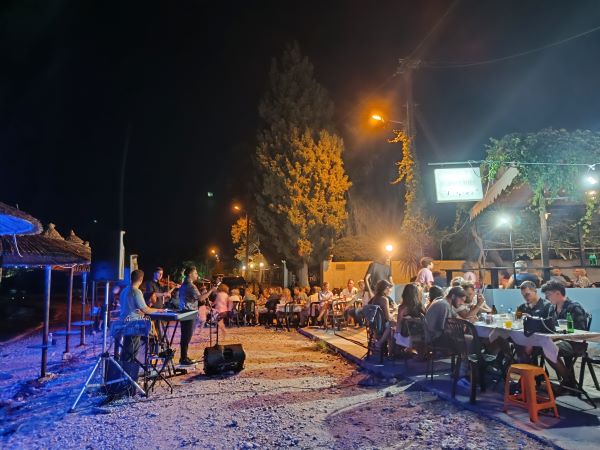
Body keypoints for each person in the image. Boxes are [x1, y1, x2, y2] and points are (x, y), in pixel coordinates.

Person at [541, 281, 588, 388]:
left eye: (548, 295)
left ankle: (568, 381)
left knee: (548, 349)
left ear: (558, 293)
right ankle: (567, 381)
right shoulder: (552, 308)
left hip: (576, 343)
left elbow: (582, 331)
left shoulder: (574, 307)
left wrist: (562, 334)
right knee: (541, 345)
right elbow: (549, 327)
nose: (546, 298)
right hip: (559, 340)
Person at [119, 269, 164, 364]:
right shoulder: (136, 291)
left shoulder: (124, 290)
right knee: (131, 351)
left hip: (124, 322)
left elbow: (127, 306)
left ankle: (123, 369)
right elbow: (145, 309)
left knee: (126, 349)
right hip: (133, 324)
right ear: (141, 279)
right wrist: (158, 310)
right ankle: (128, 371)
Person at [178, 266, 215, 364]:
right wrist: (211, 290)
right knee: (187, 336)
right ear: (190, 274)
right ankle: (183, 358)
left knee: (185, 336)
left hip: (184, 311)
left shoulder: (184, 284)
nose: (197, 275)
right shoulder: (190, 286)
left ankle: (183, 357)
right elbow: (201, 298)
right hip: (189, 312)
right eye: (195, 273)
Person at [394, 284, 425, 353]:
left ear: (404, 294)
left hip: (405, 336)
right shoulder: (420, 306)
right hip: (418, 335)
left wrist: (396, 334)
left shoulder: (402, 307)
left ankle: (392, 353)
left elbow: (399, 324)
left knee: (391, 330)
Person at [368, 280, 395, 351]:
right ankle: (382, 344)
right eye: (390, 289)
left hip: (374, 326)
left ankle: (383, 346)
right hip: (381, 326)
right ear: (386, 288)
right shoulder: (384, 299)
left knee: (392, 325)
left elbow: (380, 311)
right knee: (393, 324)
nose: (391, 291)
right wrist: (394, 312)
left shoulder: (375, 298)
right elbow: (388, 318)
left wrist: (390, 310)